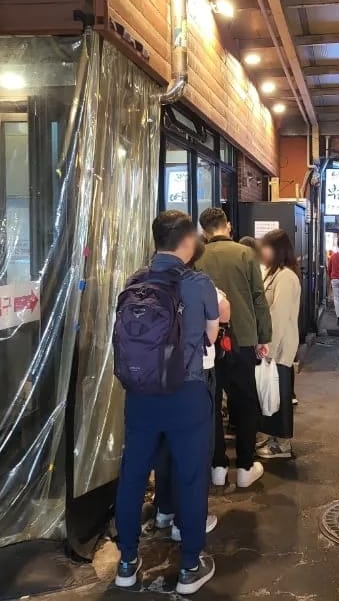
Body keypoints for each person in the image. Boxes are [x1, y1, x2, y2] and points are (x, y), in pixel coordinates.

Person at [114, 211, 219, 594]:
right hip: (185, 394)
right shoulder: (199, 283)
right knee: (190, 476)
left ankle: (127, 563)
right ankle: (189, 566)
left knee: (133, 475)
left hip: (140, 395)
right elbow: (210, 336)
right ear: (188, 241)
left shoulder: (134, 281)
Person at [153, 241, 230, 544]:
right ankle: (186, 522)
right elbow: (219, 321)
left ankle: (164, 509)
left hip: (156, 377)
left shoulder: (146, 280)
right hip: (196, 376)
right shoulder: (201, 284)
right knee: (194, 450)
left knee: (164, 444)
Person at [195, 208, 271, 490]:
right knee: (246, 402)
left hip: (207, 340)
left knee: (212, 403)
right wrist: (264, 336)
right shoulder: (245, 254)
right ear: (227, 225)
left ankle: (217, 466)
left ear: (204, 230)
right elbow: (258, 298)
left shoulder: (198, 256)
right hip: (243, 338)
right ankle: (245, 467)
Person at [255, 229, 301, 460]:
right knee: (271, 392)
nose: (261, 252)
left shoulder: (286, 277)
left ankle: (282, 445)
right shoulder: (273, 273)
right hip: (273, 345)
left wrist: (269, 349)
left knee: (279, 393)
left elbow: (278, 316)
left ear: (277, 250)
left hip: (280, 347)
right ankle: (272, 439)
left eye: (265, 247)